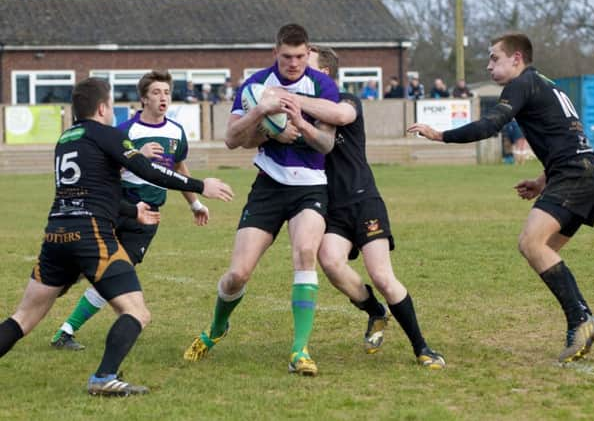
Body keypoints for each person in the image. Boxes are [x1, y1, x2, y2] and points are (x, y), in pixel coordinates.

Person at [0, 77, 233, 396]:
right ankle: (103, 377)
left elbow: (92, 190)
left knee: (23, 317)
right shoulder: (108, 134)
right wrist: (199, 186)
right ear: (102, 108)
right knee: (136, 311)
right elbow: (150, 171)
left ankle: (93, 361)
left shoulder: (66, 139)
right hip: (90, 234)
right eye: (109, 106)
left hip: (56, 233)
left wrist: (131, 211)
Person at [408, 32, 594, 364]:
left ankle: (581, 319)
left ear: (516, 59)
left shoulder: (522, 84)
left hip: (573, 175)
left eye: (494, 58)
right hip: (584, 172)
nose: (489, 65)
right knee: (545, 250)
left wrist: (440, 135)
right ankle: (582, 318)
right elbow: (566, 137)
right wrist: (543, 181)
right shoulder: (546, 84)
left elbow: (489, 125)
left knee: (531, 243)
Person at [183, 23, 339, 376]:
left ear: (308, 51)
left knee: (304, 254)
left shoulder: (322, 85)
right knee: (238, 274)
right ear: (275, 52)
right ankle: (218, 327)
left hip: (311, 185)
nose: (295, 63)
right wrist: (263, 115)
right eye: (287, 56)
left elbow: (327, 144)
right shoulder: (256, 86)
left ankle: (300, 350)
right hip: (269, 185)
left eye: (300, 56)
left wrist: (299, 123)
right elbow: (231, 138)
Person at [281, 45, 445, 369]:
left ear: (323, 72)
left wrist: (296, 107)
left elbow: (341, 117)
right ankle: (375, 312)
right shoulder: (304, 113)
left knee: (383, 276)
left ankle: (422, 347)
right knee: (329, 261)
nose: (297, 68)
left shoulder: (346, 100)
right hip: (332, 207)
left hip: (363, 199)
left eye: (306, 63)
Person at [50, 70, 211, 350]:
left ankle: (65, 329)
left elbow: (178, 169)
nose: (163, 98)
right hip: (118, 208)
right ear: (143, 99)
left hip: (148, 216)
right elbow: (105, 168)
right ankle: (59, 321)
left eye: (167, 93)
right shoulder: (124, 131)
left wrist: (195, 203)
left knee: (115, 269)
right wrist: (138, 154)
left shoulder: (176, 131)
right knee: (96, 270)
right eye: (157, 93)